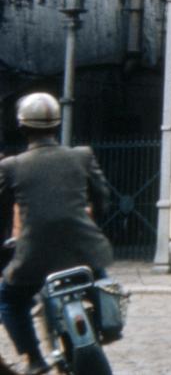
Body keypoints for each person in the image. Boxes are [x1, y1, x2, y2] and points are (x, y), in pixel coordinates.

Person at [0, 93, 113, 375]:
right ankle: (107, 324)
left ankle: (34, 359)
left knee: (8, 299)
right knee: (101, 282)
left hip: (34, 257)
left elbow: (1, 210)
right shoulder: (82, 155)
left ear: (23, 127)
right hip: (84, 250)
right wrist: (92, 223)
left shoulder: (11, 166)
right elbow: (102, 198)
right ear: (57, 126)